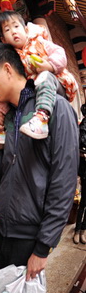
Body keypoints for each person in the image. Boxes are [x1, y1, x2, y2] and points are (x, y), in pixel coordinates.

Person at [0, 42, 78, 290]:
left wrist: (43, 247)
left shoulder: (56, 109)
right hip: (4, 231)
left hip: (29, 237)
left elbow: (63, 182)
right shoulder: (11, 115)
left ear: (8, 69)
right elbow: (5, 169)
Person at [0, 10, 77, 150]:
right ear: (3, 39)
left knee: (45, 77)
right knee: (6, 97)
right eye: (7, 30)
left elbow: (60, 54)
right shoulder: (13, 56)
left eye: (16, 26)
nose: (14, 32)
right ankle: (3, 131)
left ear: (26, 29)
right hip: (33, 89)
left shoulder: (39, 41)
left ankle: (42, 117)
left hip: (55, 82)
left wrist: (50, 66)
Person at [74, 103, 86, 244]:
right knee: (83, 201)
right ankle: (77, 229)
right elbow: (79, 146)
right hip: (84, 169)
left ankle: (84, 229)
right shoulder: (82, 126)